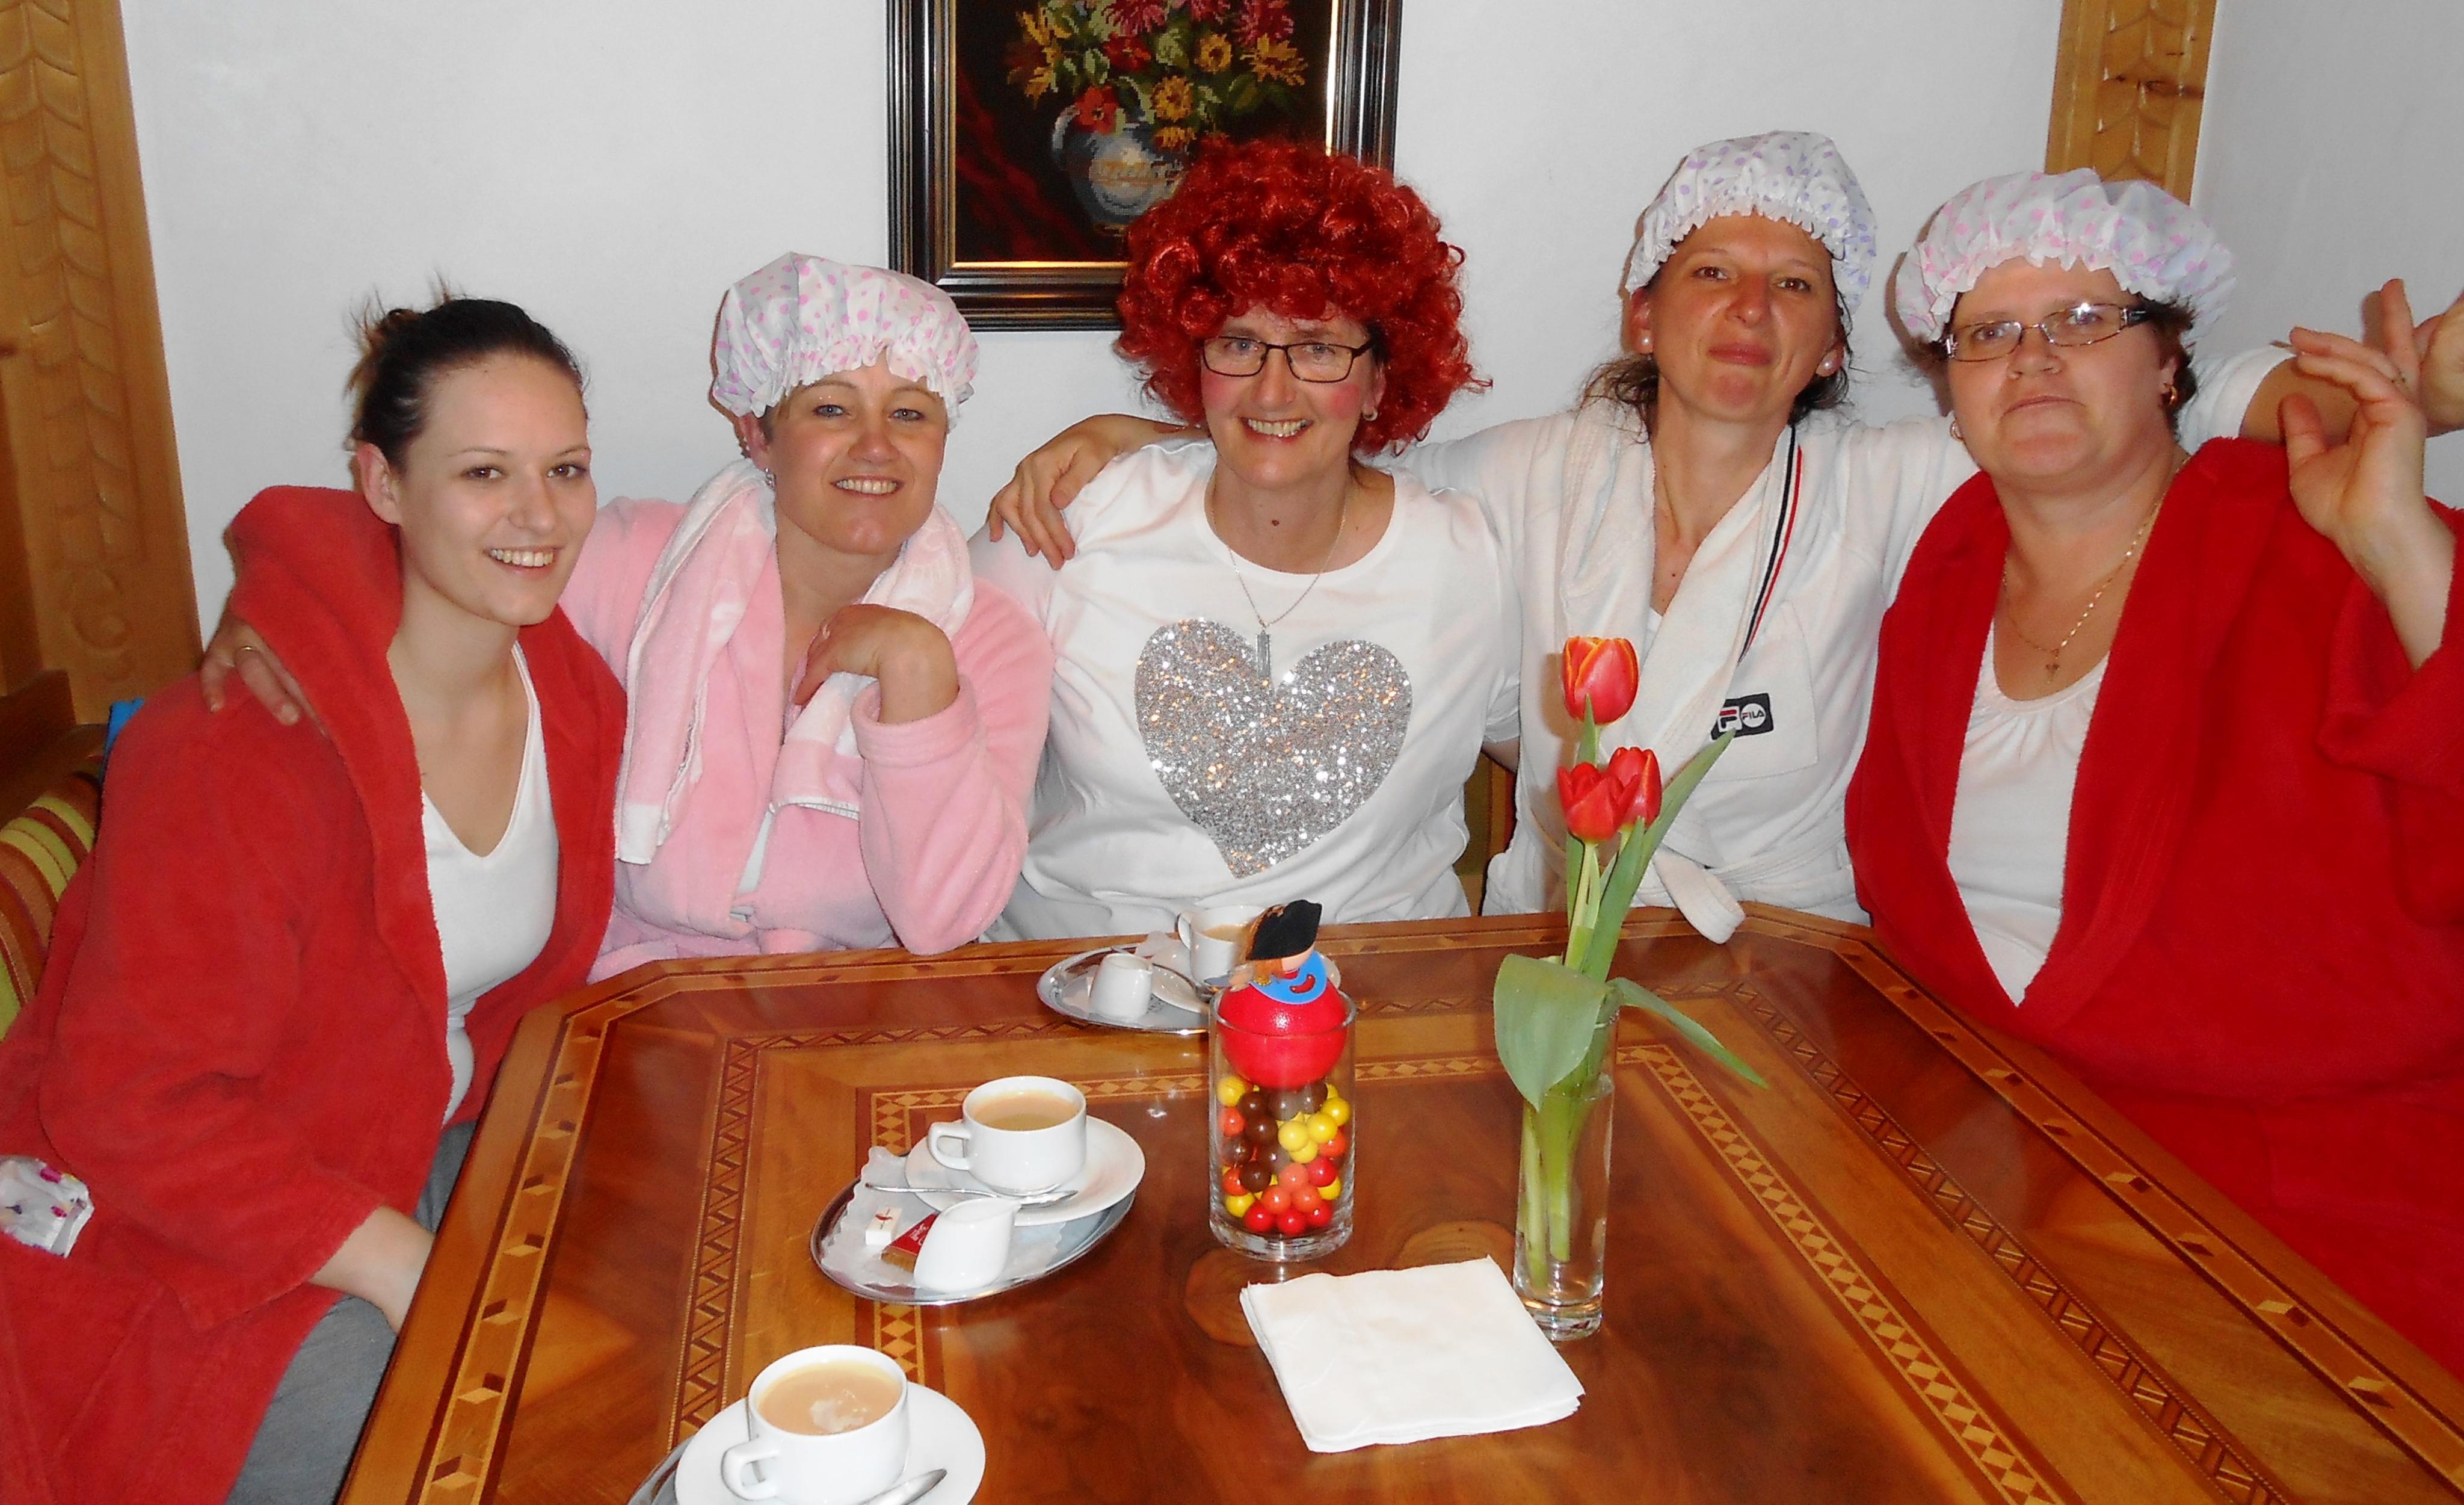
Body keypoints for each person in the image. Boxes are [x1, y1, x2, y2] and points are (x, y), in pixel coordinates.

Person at [987, 132, 2461, 941]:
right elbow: (1305, 442)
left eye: (1794, 285)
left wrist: (2381, 400)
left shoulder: (1898, 481)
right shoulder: (1523, 474)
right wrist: (1136, 441)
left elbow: (2112, 410)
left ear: (1833, 344)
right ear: (1644, 310)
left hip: (1786, 970)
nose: (1747, 312)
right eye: (1708, 273)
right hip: (1540, 961)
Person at [0, 298, 628, 1505]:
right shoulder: (237, 745)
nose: (540, 516)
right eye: (483, 473)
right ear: (382, 484)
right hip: (190, 1229)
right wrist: (409, 1269)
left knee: (666, 1302)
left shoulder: (575, 693)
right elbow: (129, 1106)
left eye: (565, 469)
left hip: (416, 1146)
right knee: (512, 1446)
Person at [1846, 172, 2464, 1370]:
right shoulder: (1948, 564)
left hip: (2305, 1224)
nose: (2032, 360)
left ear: (2171, 363)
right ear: (1951, 390)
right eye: (1988, 334)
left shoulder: (2314, 528)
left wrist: (2400, 547)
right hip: (2000, 1170)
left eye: (2083, 322)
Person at [209, 257, 1053, 974]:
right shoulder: (640, 561)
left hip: (857, 1014)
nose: (876, 446)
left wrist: (918, 676)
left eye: (910, 413)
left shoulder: (990, 639)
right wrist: (265, 607)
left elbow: (944, 921)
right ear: (758, 435)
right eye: (831, 408)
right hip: (634, 1005)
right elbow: (419, 543)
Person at [970, 140, 1517, 938]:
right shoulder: (1071, 518)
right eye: (1239, 344)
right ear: (1194, 359)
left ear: (1381, 381)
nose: (1272, 389)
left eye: (1319, 348)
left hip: (1367, 992)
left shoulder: (1469, 563)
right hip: (1082, 984)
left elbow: (1571, 766)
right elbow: (929, 750)